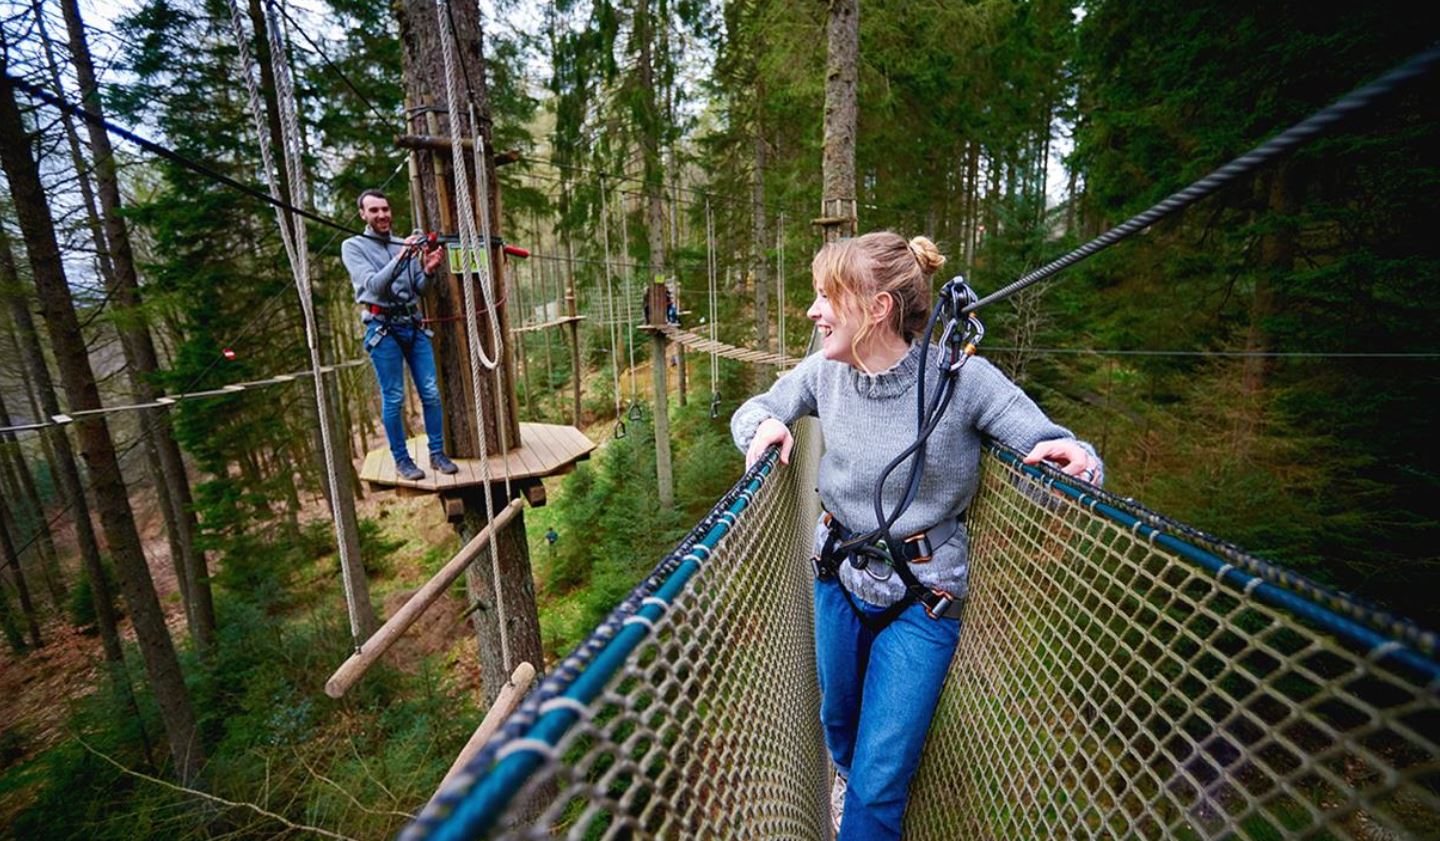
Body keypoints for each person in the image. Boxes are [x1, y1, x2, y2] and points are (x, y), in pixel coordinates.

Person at [730, 232, 1102, 840]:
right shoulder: (824, 374)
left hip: (924, 601)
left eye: (827, 297)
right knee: (838, 726)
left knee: (880, 784)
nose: (813, 312)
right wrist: (765, 427)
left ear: (877, 309)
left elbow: (1051, 446)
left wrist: (1076, 462)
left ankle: (863, 816)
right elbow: (756, 408)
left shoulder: (964, 381)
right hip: (838, 577)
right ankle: (846, 786)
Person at [342, 189, 458, 481]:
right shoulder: (353, 246)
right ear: (363, 215)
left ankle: (437, 453)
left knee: (430, 392)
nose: (382, 215)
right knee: (394, 397)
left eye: (385, 209)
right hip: (382, 329)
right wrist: (404, 254)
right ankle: (402, 460)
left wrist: (428, 271)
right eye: (374, 210)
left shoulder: (398, 243)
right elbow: (375, 285)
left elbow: (415, 290)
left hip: (413, 324)